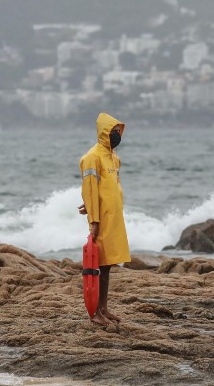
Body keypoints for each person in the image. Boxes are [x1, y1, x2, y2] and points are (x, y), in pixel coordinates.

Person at [78, 112, 130, 326]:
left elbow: (107, 188)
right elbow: (89, 189)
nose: (117, 135)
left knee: (108, 265)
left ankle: (104, 308)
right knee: (98, 265)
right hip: (101, 220)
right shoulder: (92, 157)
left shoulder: (113, 156)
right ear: (104, 133)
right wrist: (94, 220)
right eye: (114, 131)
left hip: (114, 218)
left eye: (119, 131)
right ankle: (95, 313)